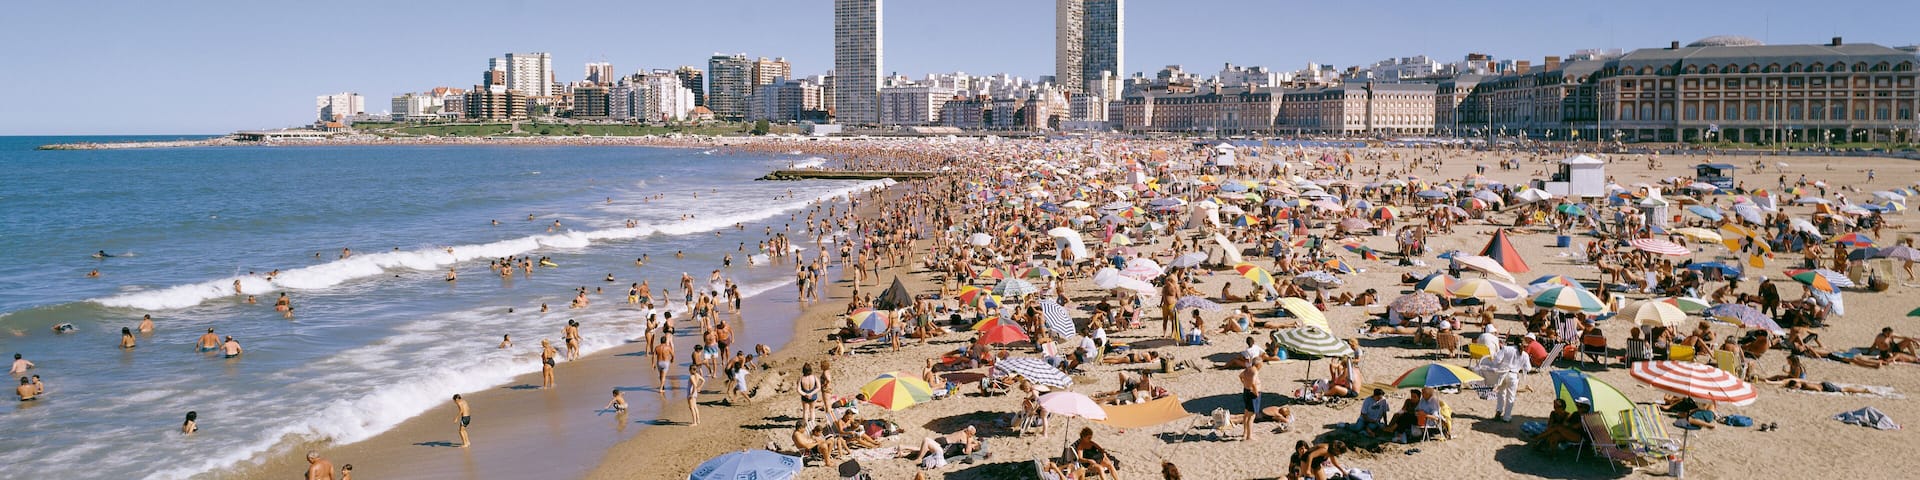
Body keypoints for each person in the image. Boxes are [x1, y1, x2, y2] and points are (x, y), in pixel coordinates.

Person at [1482, 333, 1529, 422]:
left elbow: (1497, 360)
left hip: (1502, 373)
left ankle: (1498, 412)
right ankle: (1507, 417)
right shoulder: (1524, 354)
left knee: (1501, 393)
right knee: (1511, 396)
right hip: (1514, 375)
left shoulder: (1506, 349)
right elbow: (1528, 368)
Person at [1239, 361, 1261, 441]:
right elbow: (1253, 383)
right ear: (1258, 364)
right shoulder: (1255, 371)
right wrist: (1256, 393)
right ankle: (1249, 435)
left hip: (1246, 391)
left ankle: (1245, 433)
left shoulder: (1248, 369)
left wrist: (1244, 383)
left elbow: (1240, 376)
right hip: (1252, 394)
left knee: (1246, 414)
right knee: (1251, 416)